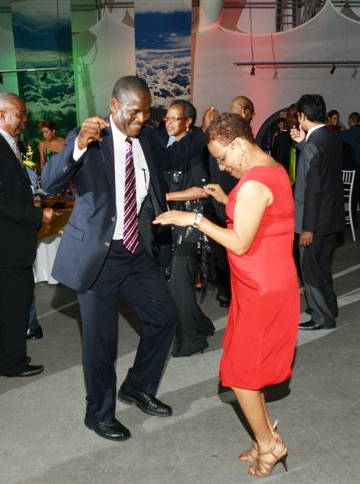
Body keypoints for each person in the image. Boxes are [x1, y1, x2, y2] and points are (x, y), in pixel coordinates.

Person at [41, 75, 213, 442]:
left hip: (135, 249)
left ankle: (137, 387)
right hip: (98, 253)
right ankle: (98, 414)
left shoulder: (147, 138)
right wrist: (77, 146)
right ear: (114, 105)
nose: (141, 120)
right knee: (102, 342)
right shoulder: (90, 138)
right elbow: (49, 182)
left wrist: (204, 131)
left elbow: (177, 154)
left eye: (147, 113)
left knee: (164, 316)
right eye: (134, 112)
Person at [154, 112, 298, 478]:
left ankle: (269, 446)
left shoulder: (253, 183)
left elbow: (240, 241)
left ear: (238, 144)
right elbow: (261, 220)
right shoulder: (273, 169)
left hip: (262, 287)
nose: (221, 166)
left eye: (222, 158)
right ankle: (266, 437)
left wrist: (195, 219)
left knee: (240, 374)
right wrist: (225, 198)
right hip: (263, 281)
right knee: (248, 368)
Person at [0, 92, 57, 377]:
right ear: (1, 114)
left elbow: (4, 190)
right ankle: (11, 363)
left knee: (8, 303)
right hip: (0, 245)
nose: (24, 119)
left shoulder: (0, 143)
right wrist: (36, 215)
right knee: (16, 303)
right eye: (20, 114)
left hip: (4, 243)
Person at [161, 99, 215, 357]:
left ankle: (192, 340)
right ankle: (202, 325)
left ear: (189, 121)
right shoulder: (168, 148)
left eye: (175, 118)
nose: (169, 122)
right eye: (167, 118)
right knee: (172, 280)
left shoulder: (195, 148)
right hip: (170, 222)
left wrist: (165, 197)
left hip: (192, 221)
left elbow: (202, 191)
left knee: (179, 282)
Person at [291, 95, 344, 331]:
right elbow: (322, 167)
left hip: (315, 220)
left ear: (302, 116)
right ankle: (329, 307)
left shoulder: (314, 144)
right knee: (323, 267)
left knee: (310, 269)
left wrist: (307, 228)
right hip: (331, 216)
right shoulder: (331, 136)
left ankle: (322, 317)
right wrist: (302, 143)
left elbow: (312, 190)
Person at [207, 95, 256, 308]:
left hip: (227, 200)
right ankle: (229, 292)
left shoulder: (223, 134)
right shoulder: (236, 139)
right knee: (230, 250)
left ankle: (229, 292)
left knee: (229, 249)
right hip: (228, 200)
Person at [271, 103, 298, 186]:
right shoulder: (280, 139)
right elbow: (275, 165)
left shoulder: (308, 141)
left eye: (295, 116)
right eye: (289, 115)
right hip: (283, 185)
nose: (290, 119)